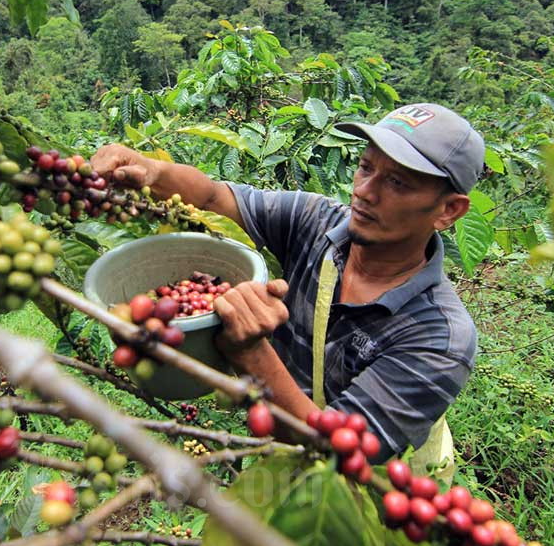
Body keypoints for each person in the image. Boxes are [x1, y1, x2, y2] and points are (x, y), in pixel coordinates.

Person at [91, 103, 484, 463]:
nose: (363, 192)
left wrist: (251, 353)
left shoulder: (440, 337)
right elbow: (212, 199)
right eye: (366, 168)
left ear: (448, 210)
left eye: (397, 183)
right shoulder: (317, 220)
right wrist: (152, 171)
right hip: (280, 440)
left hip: (372, 494)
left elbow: (339, 452)